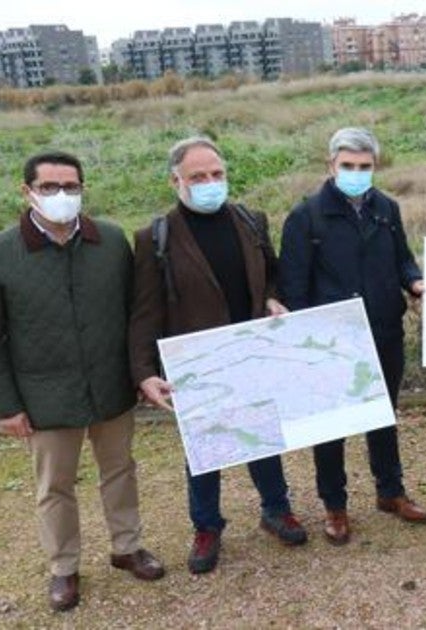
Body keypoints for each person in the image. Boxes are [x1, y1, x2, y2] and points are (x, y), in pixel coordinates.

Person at [0, 151, 164, 611]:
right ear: (28, 191)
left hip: (111, 385)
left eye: (71, 187)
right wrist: (5, 405)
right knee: (54, 485)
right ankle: (64, 568)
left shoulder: (111, 241)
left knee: (120, 470)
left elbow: (136, 315)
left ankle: (127, 546)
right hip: (44, 397)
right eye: (50, 187)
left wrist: (142, 372)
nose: (62, 196)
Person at [129, 136, 308, 575]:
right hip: (197, 361)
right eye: (198, 177)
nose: (210, 183)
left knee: (262, 434)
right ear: (176, 181)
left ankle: (275, 509)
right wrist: (143, 371)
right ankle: (207, 526)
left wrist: (271, 298)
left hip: (249, 352)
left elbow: (272, 276)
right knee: (203, 450)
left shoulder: (250, 221)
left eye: (217, 175)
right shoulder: (155, 238)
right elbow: (145, 311)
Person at [278, 128, 426, 545]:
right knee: (332, 426)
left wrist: (416, 283)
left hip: (383, 329)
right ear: (331, 166)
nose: (356, 173)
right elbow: (293, 286)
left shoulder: (387, 209)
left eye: (365, 167)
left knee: (383, 415)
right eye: (348, 166)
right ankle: (335, 505)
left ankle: (391, 491)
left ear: (375, 167)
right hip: (332, 340)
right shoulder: (306, 216)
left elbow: (403, 261)